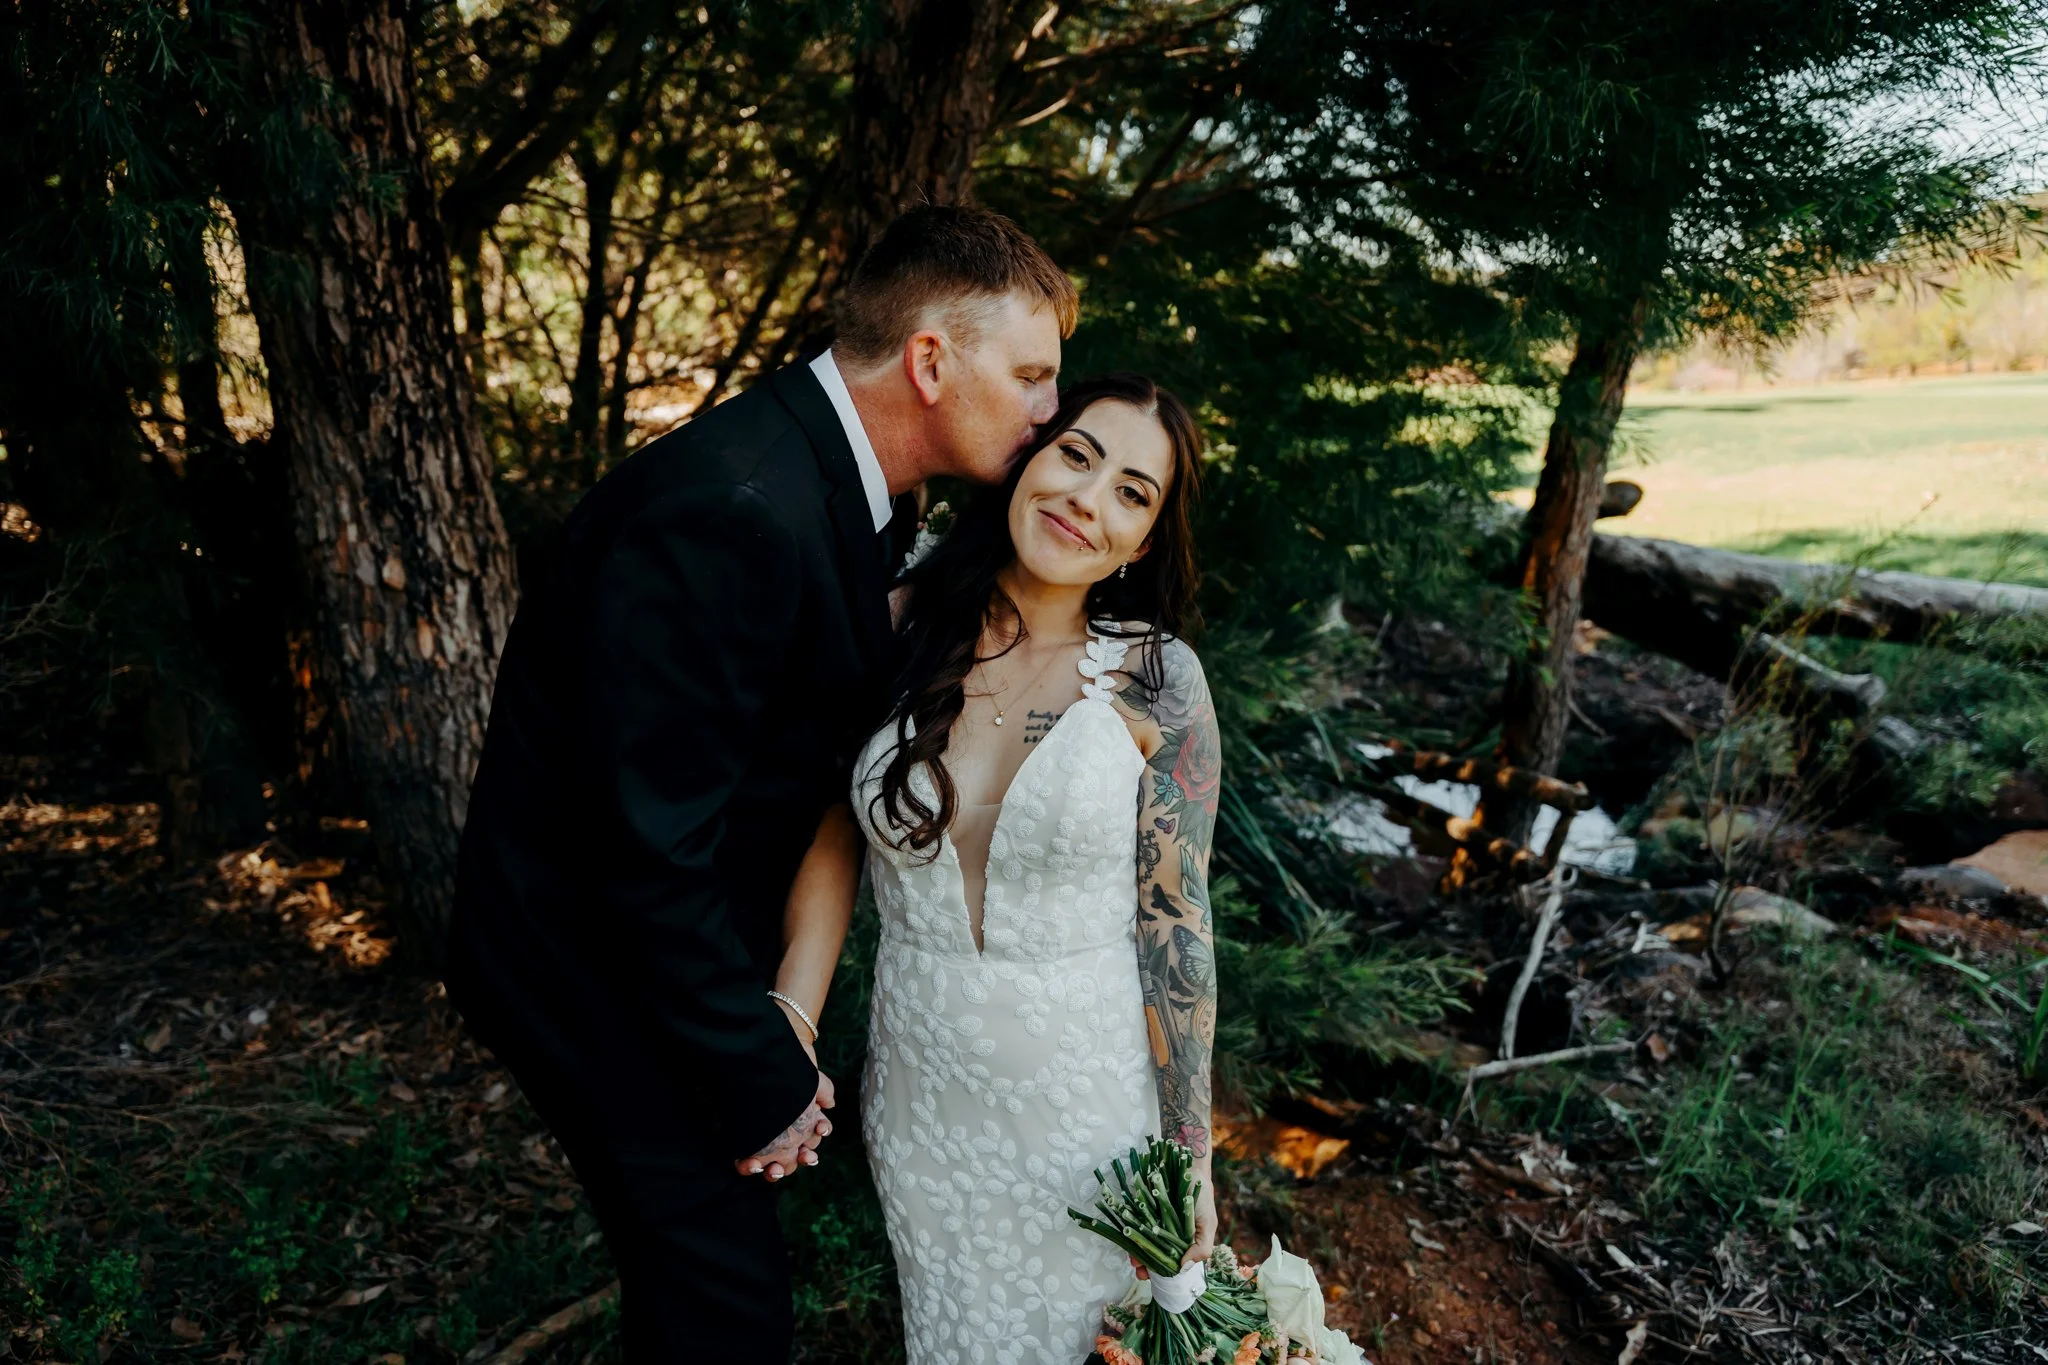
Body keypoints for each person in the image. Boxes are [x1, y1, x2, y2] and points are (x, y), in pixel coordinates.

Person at [444, 205, 1076, 1360]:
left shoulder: (846, 479)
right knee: (725, 1310)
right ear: (930, 360)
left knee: (708, 1297)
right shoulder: (727, 509)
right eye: (1030, 375)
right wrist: (754, 1073)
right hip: (579, 957)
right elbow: (643, 842)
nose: (1047, 412)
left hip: (667, 944)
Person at [780, 373, 1220, 1363]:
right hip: (924, 1108)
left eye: (1130, 492)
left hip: (1094, 1114)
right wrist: (791, 1023)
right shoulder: (894, 623)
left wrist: (1190, 1155)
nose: (1085, 498)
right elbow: (832, 835)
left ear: (1141, 542)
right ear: (1029, 457)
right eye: (1076, 454)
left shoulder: (1160, 682)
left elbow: (1177, 925)